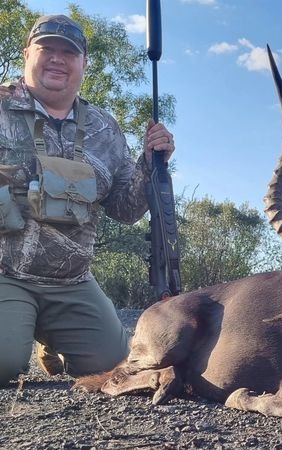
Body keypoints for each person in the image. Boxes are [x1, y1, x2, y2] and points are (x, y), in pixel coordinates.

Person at [0, 14, 175, 385]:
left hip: (72, 281)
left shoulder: (104, 128)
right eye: (47, 49)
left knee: (116, 367)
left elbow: (125, 210)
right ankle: (19, 328)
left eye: (69, 52)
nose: (57, 59)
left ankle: (51, 335)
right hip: (5, 275)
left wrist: (150, 163)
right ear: (27, 52)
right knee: (3, 365)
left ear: (84, 63)